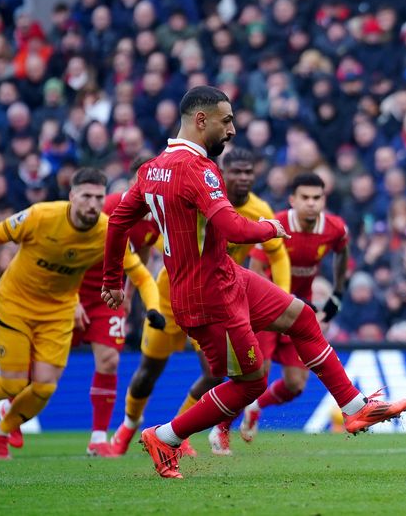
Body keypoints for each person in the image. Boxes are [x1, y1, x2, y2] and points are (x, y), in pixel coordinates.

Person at [102, 86, 406, 479]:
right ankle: (165, 436)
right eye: (226, 121)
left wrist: (113, 278)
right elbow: (231, 226)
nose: (231, 130)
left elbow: (118, 219)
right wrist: (269, 228)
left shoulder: (151, 168)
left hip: (225, 276)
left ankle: (354, 408)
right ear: (201, 120)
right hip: (207, 295)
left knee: (302, 318)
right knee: (249, 384)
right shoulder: (198, 169)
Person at [0, 168, 155, 459]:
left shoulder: (111, 228)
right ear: (72, 196)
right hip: (16, 303)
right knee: (14, 383)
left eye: (98, 197)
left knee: (44, 387)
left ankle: (0, 431)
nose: (93, 204)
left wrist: (152, 308)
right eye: (86, 197)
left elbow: (142, 273)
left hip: (59, 309)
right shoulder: (41, 216)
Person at [109, 146, 292, 458]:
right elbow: (128, 230)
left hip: (213, 299)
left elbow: (277, 252)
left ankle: (178, 433)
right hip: (171, 294)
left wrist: (284, 299)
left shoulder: (258, 207)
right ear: (222, 174)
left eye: (249, 173)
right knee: (149, 371)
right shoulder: (196, 194)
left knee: (215, 371)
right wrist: (122, 285)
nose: (243, 178)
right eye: (237, 172)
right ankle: (128, 426)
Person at [238, 171, 350, 445]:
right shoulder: (276, 224)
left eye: (317, 198)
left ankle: (255, 408)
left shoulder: (334, 228)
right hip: (266, 310)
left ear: (324, 200)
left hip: (299, 313)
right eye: (305, 197)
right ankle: (221, 429)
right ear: (292, 200)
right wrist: (273, 300)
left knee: (296, 384)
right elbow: (256, 268)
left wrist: (337, 293)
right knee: (256, 376)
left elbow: (342, 252)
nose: (311, 203)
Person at [68, 183, 162, 458]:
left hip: (108, 295)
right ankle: (10, 413)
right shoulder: (106, 205)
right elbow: (69, 247)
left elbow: (141, 256)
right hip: (71, 288)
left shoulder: (156, 217)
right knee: (47, 368)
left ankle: (98, 438)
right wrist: (72, 299)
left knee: (110, 359)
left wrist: (130, 293)